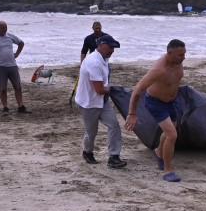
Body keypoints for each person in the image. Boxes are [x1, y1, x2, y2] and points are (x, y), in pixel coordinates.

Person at [125, 39, 186, 182]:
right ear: (169, 53)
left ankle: (159, 152)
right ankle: (167, 171)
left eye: (184, 54)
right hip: (156, 103)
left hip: (173, 101)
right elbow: (138, 90)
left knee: (169, 132)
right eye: (180, 55)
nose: (184, 57)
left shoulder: (178, 62)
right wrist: (132, 113)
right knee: (172, 135)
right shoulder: (159, 70)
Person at [75, 34, 127, 168]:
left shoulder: (104, 58)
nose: (112, 51)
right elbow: (99, 89)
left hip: (102, 101)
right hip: (88, 103)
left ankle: (114, 157)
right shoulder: (93, 62)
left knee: (114, 125)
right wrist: (113, 90)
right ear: (101, 46)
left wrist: (109, 90)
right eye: (110, 47)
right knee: (91, 132)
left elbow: (102, 87)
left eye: (114, 48)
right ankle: (87, 152)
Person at [0, 21, 31, 114]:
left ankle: (21, 107)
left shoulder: (10, 36)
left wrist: (17, 54)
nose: (4, 29)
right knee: (3, 89)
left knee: (17, 86)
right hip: (0, 67)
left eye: (6, 27)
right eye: (2, 28)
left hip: (12, 66)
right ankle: (5, 108)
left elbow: (21, 43)